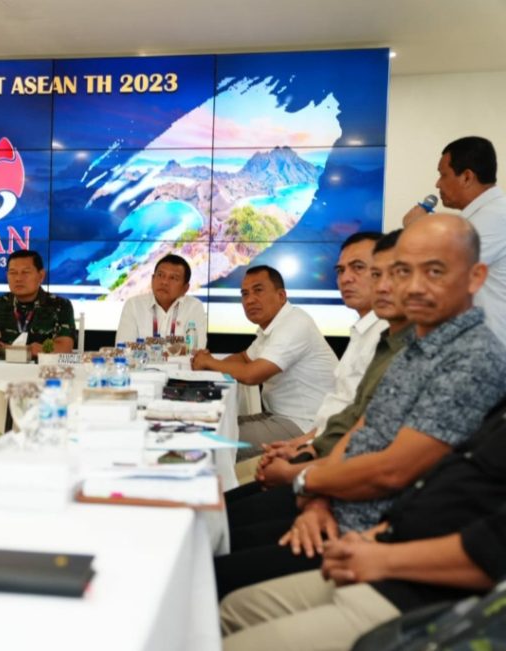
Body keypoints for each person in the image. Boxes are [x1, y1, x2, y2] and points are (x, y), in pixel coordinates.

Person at [213, 214, 506, 599]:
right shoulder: (408, 347)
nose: (398, 285)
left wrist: (304, 479)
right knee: (213, 525)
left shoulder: (470, 358)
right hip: (332, 494)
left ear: (475, 277)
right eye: (401, 272)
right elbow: (356, 431)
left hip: (362, 526)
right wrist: (310, 476)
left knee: (216, 561)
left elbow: (392, 472)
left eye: (432, 271)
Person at [220, 393, 506, 651]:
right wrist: (373, 534)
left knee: (222, 602)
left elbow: (394, 473)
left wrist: (382, 557)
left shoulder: (480, 363)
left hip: (430, 600)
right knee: (232, 606)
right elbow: (430, 481)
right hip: (380, 543)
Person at [227, 231, 412, 551]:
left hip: (345, 498)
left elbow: (372, 447)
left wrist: (302, 473)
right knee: (221, 512)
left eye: (359, 268)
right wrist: (299, 447)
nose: (346, 278)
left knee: (223, 522)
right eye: (341, 270)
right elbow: (345, 418)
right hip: (318, 457)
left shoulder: (407, 346)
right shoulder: (367, 333)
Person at [191, 265, 337, 457]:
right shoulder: (272, 326)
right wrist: (209, 365)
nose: (250, 300)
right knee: (206, 425)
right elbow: (244, 358)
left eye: (258, 290)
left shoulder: (294, 324)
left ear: (281, 296)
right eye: (245, 294)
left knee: (206, 440)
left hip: (305, 425)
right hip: (278, 416)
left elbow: (252, 375)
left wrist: (209, 363)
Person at [404, 137, 506, 345]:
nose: (437, 184)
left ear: (467, 177)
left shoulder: (495, 216)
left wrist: (417, 229)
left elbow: (442, 272)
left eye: (443, 175)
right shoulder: (481, 216)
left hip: (490, 350)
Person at [0, 250, 77, 357]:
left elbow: (64, 348)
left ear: (41, 276)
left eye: (25, 272)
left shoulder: (60, 306)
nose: (18, 278)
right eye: (13, 273)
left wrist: (6, 349)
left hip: (41, 367)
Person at [115, 253, 206, 348]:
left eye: (173, 278)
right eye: (160, 275)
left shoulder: (194, 307)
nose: (164, 282)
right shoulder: (134, 305)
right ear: (152, 279)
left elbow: (196, 350)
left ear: (185, 288)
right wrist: (177, 350)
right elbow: (123, 349)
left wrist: (145, 348)